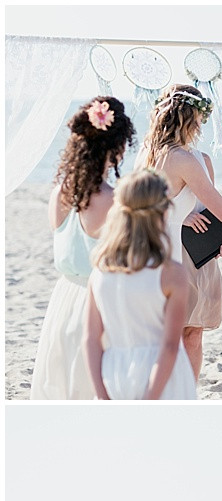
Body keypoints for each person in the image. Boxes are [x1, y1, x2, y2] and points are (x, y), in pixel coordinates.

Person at [139, 83, 222, 383]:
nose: (202, 124)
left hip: (194, 254)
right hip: (169, 252)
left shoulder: (198, 159)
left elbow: (209, 212)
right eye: (200, 117)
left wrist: (219, 240)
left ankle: (187, 394)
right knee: (169, 336)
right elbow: (143, 208)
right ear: (189, 117)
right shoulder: (170, 158)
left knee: (193, 334)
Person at [30, 97, 136, 399]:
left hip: (62, 301)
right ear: (118, 147)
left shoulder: (60, 193)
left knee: (60, 390)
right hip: (100, 305)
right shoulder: (115, 201)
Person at [84, 170, 196, 400]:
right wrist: (150, 399)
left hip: (114, 374)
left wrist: (102, 395)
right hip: (162, 378)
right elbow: (170, 345)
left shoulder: (100, 270)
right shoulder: (172, 274)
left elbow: (91, 339)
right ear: (164, 213)